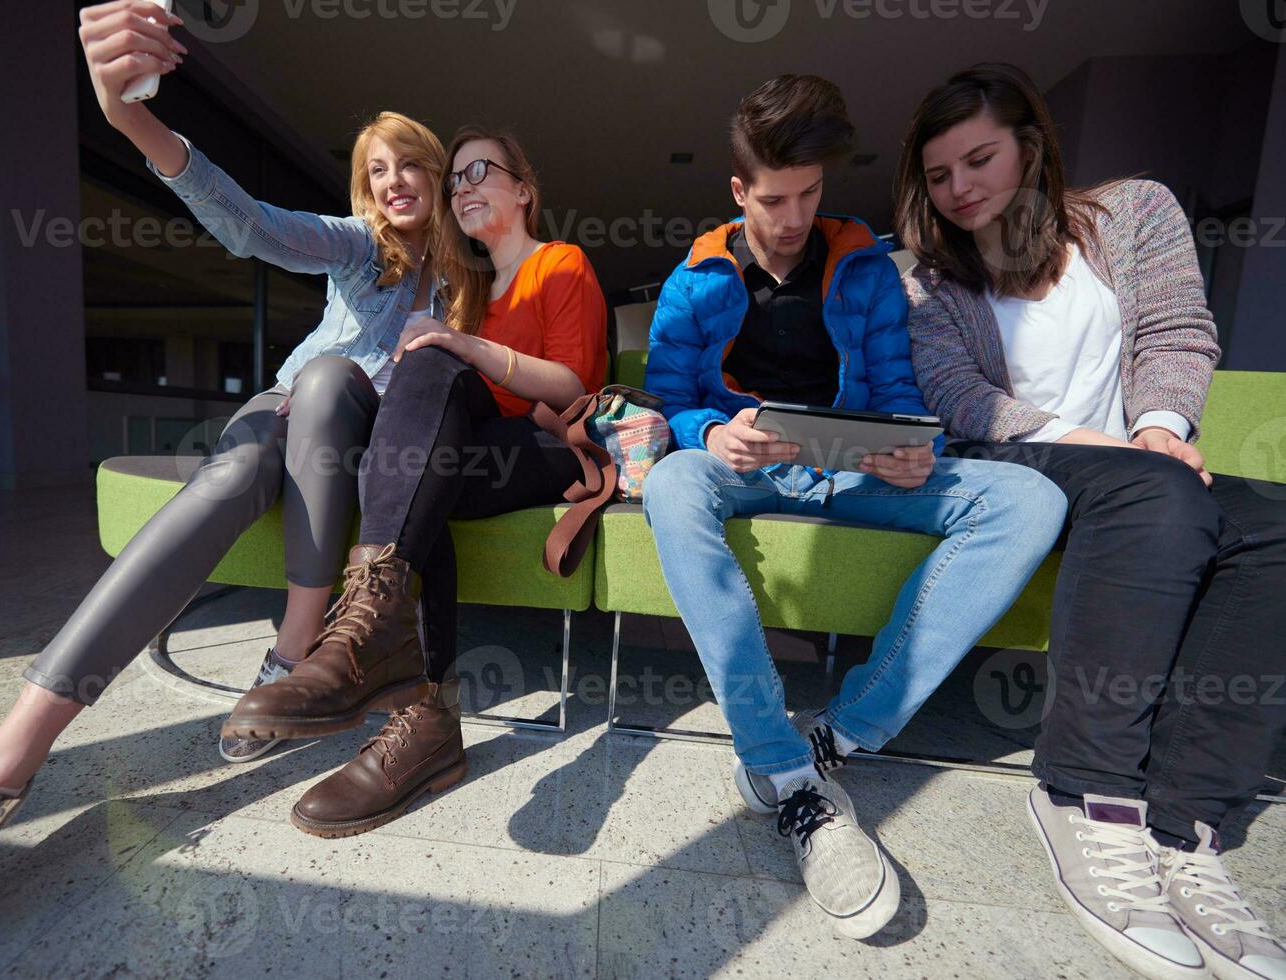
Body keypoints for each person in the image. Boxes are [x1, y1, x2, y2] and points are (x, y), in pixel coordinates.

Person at [0, 4, 450, 976]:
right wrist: (130, 119)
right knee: (253, 444)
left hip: (358, 435)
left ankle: (290, 651)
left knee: (333, 384)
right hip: (283, 416)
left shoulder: (467, 280)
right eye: (376, 170)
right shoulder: (359, 250)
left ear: (440, 177)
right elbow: (251, 225)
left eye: (409, 164)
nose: (394, 182)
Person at [639, 74, 1068, 939]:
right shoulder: (694, 277)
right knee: (671, 479)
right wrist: (706, 433)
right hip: (746, 462)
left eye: (809, 194)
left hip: (850, 465)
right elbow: (665, 396)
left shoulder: (869, 270)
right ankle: (778, 765)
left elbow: (902, 393)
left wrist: (914, 450)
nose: (792, 216)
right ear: (737, 191)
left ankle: (840, 734)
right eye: (772, 199)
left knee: (1028, 497)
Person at [898, 62, 1286, 980]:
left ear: (1031, 147)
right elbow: (956, 394)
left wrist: (1156, 430)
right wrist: (1108, 452)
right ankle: (1086, 795)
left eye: (978, 159)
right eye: (939, 174)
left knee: (1270, 527)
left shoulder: (1133, 214)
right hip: (1013, 460)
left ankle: (1186, 826)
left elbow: (1176, 334)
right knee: (1154, 493)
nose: (958, 190)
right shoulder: (921, 276)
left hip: (1137, 467)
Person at [221, 125, 609, 838]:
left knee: (428, 393)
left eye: (478, 171)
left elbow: (570, 390)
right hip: (469, 449)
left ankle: (390, 676)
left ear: (523, 190)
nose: (461, 187)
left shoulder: (560, 263)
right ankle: (420, 712)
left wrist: (465, 345)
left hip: (549, 447)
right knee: (412, 455)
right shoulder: (470, 288)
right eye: (454, 178)